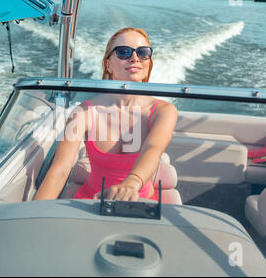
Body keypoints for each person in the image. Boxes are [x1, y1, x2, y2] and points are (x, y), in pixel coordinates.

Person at [33, 27, 178, 201]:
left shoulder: (164, 111)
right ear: (108, 64)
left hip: (142, 202)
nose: (135, 58)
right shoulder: (83, 113)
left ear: (148, 63)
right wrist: (32, 214)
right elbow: (60, 170)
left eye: (143, 52)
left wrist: (131, 184)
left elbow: (153, 149)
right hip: (90, 202)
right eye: (123, 52)